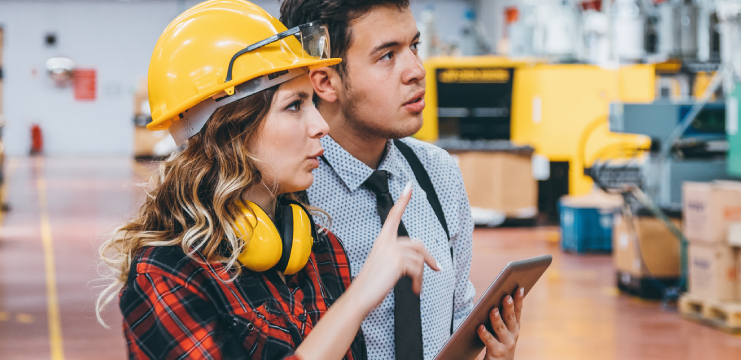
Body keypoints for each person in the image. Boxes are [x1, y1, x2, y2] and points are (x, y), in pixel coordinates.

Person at [94, 2, 525, 359]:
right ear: (232, 129)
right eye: (296, 106)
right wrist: (359, 298)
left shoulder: (312, 245)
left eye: (414, 47)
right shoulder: (169, 275)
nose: (320, 125)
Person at [279, 0, 524, 359]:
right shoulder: (291, 194)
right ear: (326, 81)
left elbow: (458, 318)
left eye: (414, 46)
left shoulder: (438, 174)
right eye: (387, 56)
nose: (417, 70)